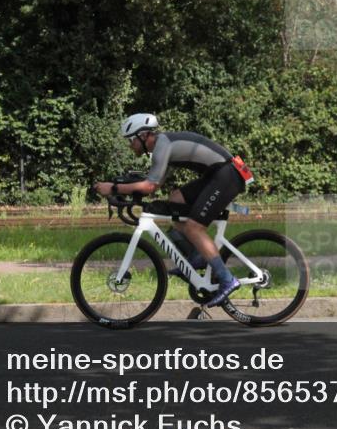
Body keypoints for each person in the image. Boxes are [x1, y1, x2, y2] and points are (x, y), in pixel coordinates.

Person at [93, 113, 250, 307]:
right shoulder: (162, 146)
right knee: (176, 200)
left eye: (131, 140)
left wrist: (114, 188)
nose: (129, 145)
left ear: (143, 136)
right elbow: (155, 185)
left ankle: (227, 279)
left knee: (194, 227)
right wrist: (127, 188)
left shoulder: (162, 145)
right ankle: (197, 257)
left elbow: (149, 187)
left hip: (227, 175)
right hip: (217, 175)